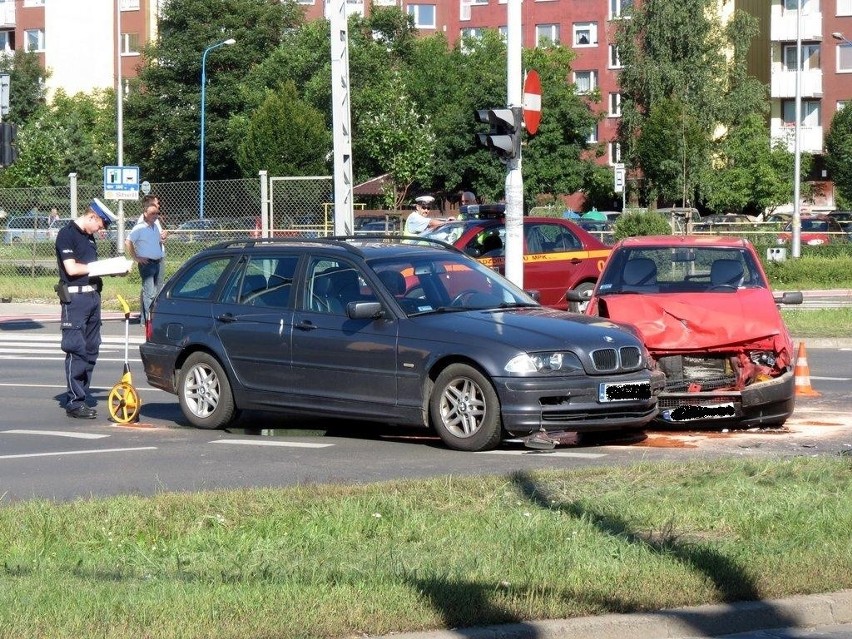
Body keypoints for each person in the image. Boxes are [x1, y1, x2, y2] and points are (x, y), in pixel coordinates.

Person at [54, 199, 117, 419]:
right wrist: (101, 267)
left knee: (91, 349)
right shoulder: (67, 234)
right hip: (76, 299)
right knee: (76, 348)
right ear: (92, 216)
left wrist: (113, 270)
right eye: (100, 225)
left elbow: (90, 269)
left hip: (92, 296)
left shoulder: (88, 237)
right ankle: (74, 402)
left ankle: (82, 394)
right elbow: (72, 269)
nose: (100, 230)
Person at [125, 201, 165, 327]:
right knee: (149, 293)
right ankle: (150, 320)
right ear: (145, 214)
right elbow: (128, 241)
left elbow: (158, 241)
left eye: (157, 213)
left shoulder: (155, 227)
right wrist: (136, 257)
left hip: (158, 262)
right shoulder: (140, 227)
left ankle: (145, 319)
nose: (155, 215)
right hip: (147, 264)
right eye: (152, 213)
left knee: (158, 292)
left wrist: (163, 238)